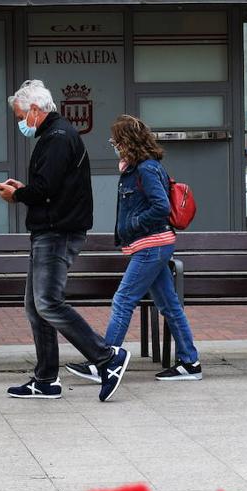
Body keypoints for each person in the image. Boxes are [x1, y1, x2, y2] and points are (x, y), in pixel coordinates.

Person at [0, 80, 130, 403]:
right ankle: (45, 379)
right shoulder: (57, 135)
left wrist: (18, 195)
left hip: (57, 231)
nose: (20, 123)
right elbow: (49, 185)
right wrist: (25, 189)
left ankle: (107, 358)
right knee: (35, 305)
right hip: (53, 228)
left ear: (36, 110)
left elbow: (46, 189)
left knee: (48, 303)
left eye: (21, 116)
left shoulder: (56, 137)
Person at [66, 114, 202, 383]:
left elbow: (161, 207)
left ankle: (104, 361)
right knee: (169, 305)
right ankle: (190, 362)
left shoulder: (146, 169)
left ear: (126, 141)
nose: (113, 144)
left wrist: (135, 223)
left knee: (123, 300)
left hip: (152, 245)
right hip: (154, 245)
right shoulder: (136, 168)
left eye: (115, 139)